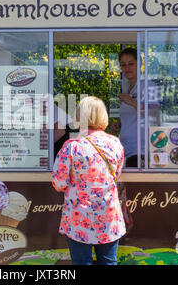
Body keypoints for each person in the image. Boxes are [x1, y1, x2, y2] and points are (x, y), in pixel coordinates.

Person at [51, 96, 126, 265]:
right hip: (108, 215)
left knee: (81, 262)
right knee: (108, 262)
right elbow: (117, 174)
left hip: (79, 219)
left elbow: (59, 183)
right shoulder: (115, 144)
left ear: (80, 117)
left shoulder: (72, 146)